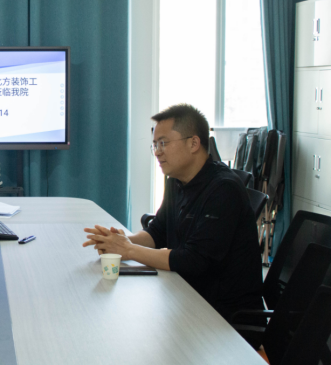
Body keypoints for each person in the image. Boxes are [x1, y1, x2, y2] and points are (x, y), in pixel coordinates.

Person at [83, 104, 264, 324]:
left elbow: (194, 261)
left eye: (163, 143)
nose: (157, 152)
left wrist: (128, 250)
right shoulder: (176, 182)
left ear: (194, 143)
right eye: (155, 145)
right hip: (185, 297)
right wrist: (121, 241)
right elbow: (157, 232)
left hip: (223, 318)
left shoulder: (224, 190)